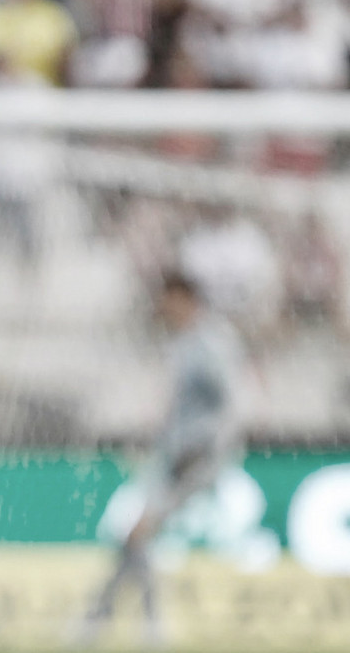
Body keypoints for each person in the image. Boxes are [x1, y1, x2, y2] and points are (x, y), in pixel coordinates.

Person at [76, 270, 248, 647]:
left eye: (168, 299)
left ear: (186, 299)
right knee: (133, 538)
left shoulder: (212, 343)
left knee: (137, 534)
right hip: (175, 456)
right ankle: (108, 621)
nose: (162, 307)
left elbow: (229, 405)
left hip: (197, 459)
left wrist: (204, 450)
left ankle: (140, 626)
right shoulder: (185, 343)